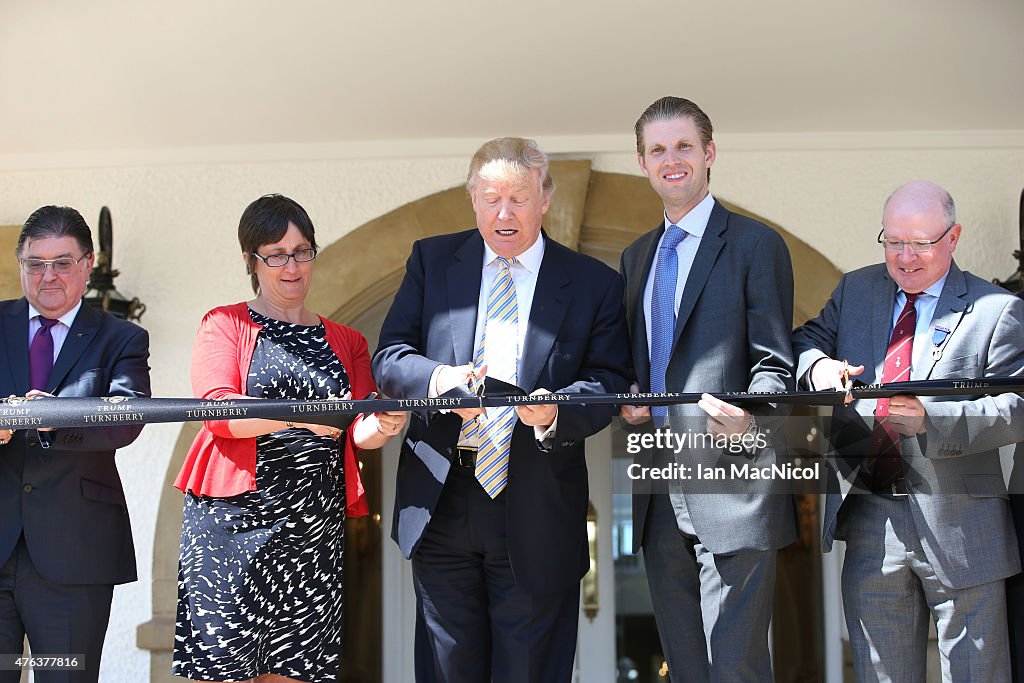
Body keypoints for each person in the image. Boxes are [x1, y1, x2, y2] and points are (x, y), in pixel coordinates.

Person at [372, 137, 631, 682]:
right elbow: (391, 358)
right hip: (443, 497)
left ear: (546, 198)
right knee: (447, 671)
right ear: (472, 199)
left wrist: (555, 413)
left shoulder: (593, 283)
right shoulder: (433, 260)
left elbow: (608, 383)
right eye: (491, 198)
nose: (504, 212)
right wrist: (440, 380)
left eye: (519, 197)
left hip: (536, 503)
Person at [793, 180, 1024, 680]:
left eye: (921, 243)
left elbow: (1017, 408)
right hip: (871, 519)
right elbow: (804, 342)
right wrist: (820, 369)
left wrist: (932, 420)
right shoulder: (857, 289)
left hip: (964, 528)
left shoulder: (996, 309)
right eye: (894, 242)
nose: (906, 257)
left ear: (954, 237)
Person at [171, 194, 407, 683]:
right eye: (275, 254)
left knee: (296, 671)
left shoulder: (347, 340)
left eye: (302, 251)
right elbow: (218, 412)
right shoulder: (225, 323)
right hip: (232, 525)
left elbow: (357, 427)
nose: (292, 266)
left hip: (313, 527)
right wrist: (303, 417)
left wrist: (383, 425)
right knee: (225, 671)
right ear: (250, 261)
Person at [619, 96, 797, 681]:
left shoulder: (754, 244)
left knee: (736, 666)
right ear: (643, 162)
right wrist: (632, 398)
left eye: (684, 147)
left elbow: (775, 362)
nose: (672, 160)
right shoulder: (636, 257)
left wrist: (749, 421)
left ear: (709, 153)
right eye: (658, 150)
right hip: (657, 479)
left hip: (733, 475)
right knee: (689, 667)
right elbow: (642, 363)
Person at [0, 205, 151, 683]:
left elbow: (127, 420)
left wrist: (51, 420)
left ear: (87, 265)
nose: (48, 276)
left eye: (62, 263)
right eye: (35, 263)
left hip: (73, 552)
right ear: (20, 263)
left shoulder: (122, 338)